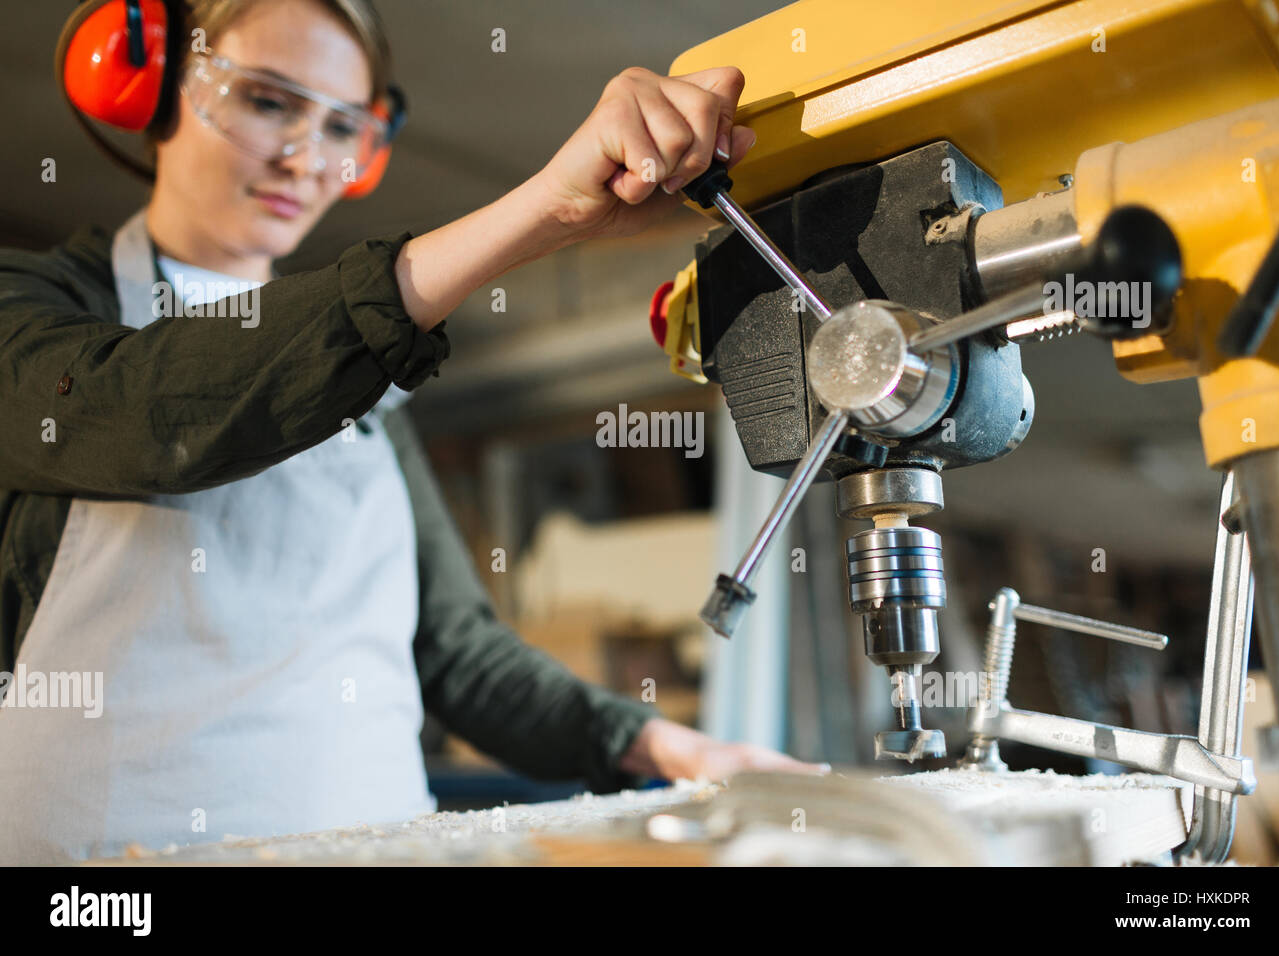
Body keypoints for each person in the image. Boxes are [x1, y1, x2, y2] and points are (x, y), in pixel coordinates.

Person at [0, 0, 817, 865]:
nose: (305, 157)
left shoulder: (359, 385)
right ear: (151, 89)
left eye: (340, 125)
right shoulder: (42, 306)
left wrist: (671, 747)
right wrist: (542, 210)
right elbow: (145, 416)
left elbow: (460, 654)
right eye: (268, 102)